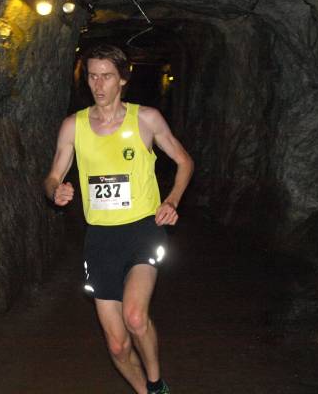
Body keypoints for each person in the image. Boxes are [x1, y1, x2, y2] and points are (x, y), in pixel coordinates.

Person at [44, 44, 193, 394]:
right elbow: (52, 177)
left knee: (135, 317)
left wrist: (171, 201)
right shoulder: (73, 126)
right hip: (100, 239)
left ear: (123, 79)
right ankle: (143, 391)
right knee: (117, 345)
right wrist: (56, 191)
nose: (99, 84)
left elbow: (185, 162)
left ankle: (156, 385)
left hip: (143, 230)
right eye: (93, 76)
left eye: (107, 76)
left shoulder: (146, 119)